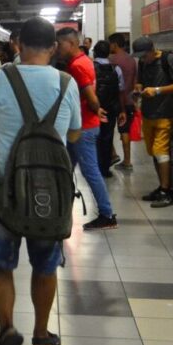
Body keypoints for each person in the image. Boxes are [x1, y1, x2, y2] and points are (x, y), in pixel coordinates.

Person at [0, 17, 81, 345]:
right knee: (45, 266)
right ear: (53, 48)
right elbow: (75, 134)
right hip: (50, 196)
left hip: (3, 193)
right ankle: (41, 336)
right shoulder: (66, 83)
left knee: (1, 265)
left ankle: (7, 329)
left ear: (18, 45)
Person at [56, 28, 117, 230]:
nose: (57, 48)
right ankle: (61, 209)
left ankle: (107, 214)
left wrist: (95, 108)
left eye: (60, 44)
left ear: (71, 43)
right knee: (65, 168)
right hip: (81, 126)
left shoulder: (77, 66)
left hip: (83, 127)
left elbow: (90, 97)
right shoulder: (85, 61)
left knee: (90, 171)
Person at [133, 36, 173, 208]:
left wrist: (157, 90)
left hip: (166, 113)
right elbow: (140, 81)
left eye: (145, 56)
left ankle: (166, 191)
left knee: (161, 151)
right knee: (153, 151)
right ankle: (162, 186)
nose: (143, 59)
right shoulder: (143, 63)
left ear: (152, 50)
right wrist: (138, 88)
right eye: (140, 57)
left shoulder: (169, 60)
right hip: (148, 113)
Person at [93, 40, 126, 178]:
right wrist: (122, 110)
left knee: (94, 138)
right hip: (111, 108)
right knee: (107, 137)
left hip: (94, 108)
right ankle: (105, 168)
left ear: (95, 52)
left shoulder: (91, 67)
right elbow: (121, 90)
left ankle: (94, 168)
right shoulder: (115, 68)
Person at [109, 33, 137, 170]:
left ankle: (113, 154)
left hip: (114, 100)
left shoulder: (111, 59)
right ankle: (127, 161)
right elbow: (135, 81)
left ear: (114, 44)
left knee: (108, 128)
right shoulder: (132, 60)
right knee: (125, 130)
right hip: (129, 100)